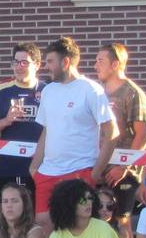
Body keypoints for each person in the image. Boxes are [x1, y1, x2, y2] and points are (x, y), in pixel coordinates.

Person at [28, 38, 116, 222]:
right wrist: (35, 166)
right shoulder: (48, 91)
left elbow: (112, 132)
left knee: (77, 227)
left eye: (50, 61)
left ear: (65, 62)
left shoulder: (91, 90)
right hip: (47, 171)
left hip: (79, 171)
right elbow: (47, 129)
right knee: (43, 225)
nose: (46, 66)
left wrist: (95, 172)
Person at [0, 43, 46, 207]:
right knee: (4, 219)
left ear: (37, 65)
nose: (19, 66)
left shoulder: (49, 90)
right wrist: (5, 121)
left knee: (37, 219)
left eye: (24, 62)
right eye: (15, 62)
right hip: (5, 167)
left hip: (41, 168)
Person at [92, 42, 146, 228]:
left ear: (115, 64)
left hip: (121, 173)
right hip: (96, 170)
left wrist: (124, 165)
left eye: (100, 61)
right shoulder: (96, 92)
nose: (95, 66)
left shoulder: (132, 93)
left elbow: (143, 135)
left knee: (121, 222)